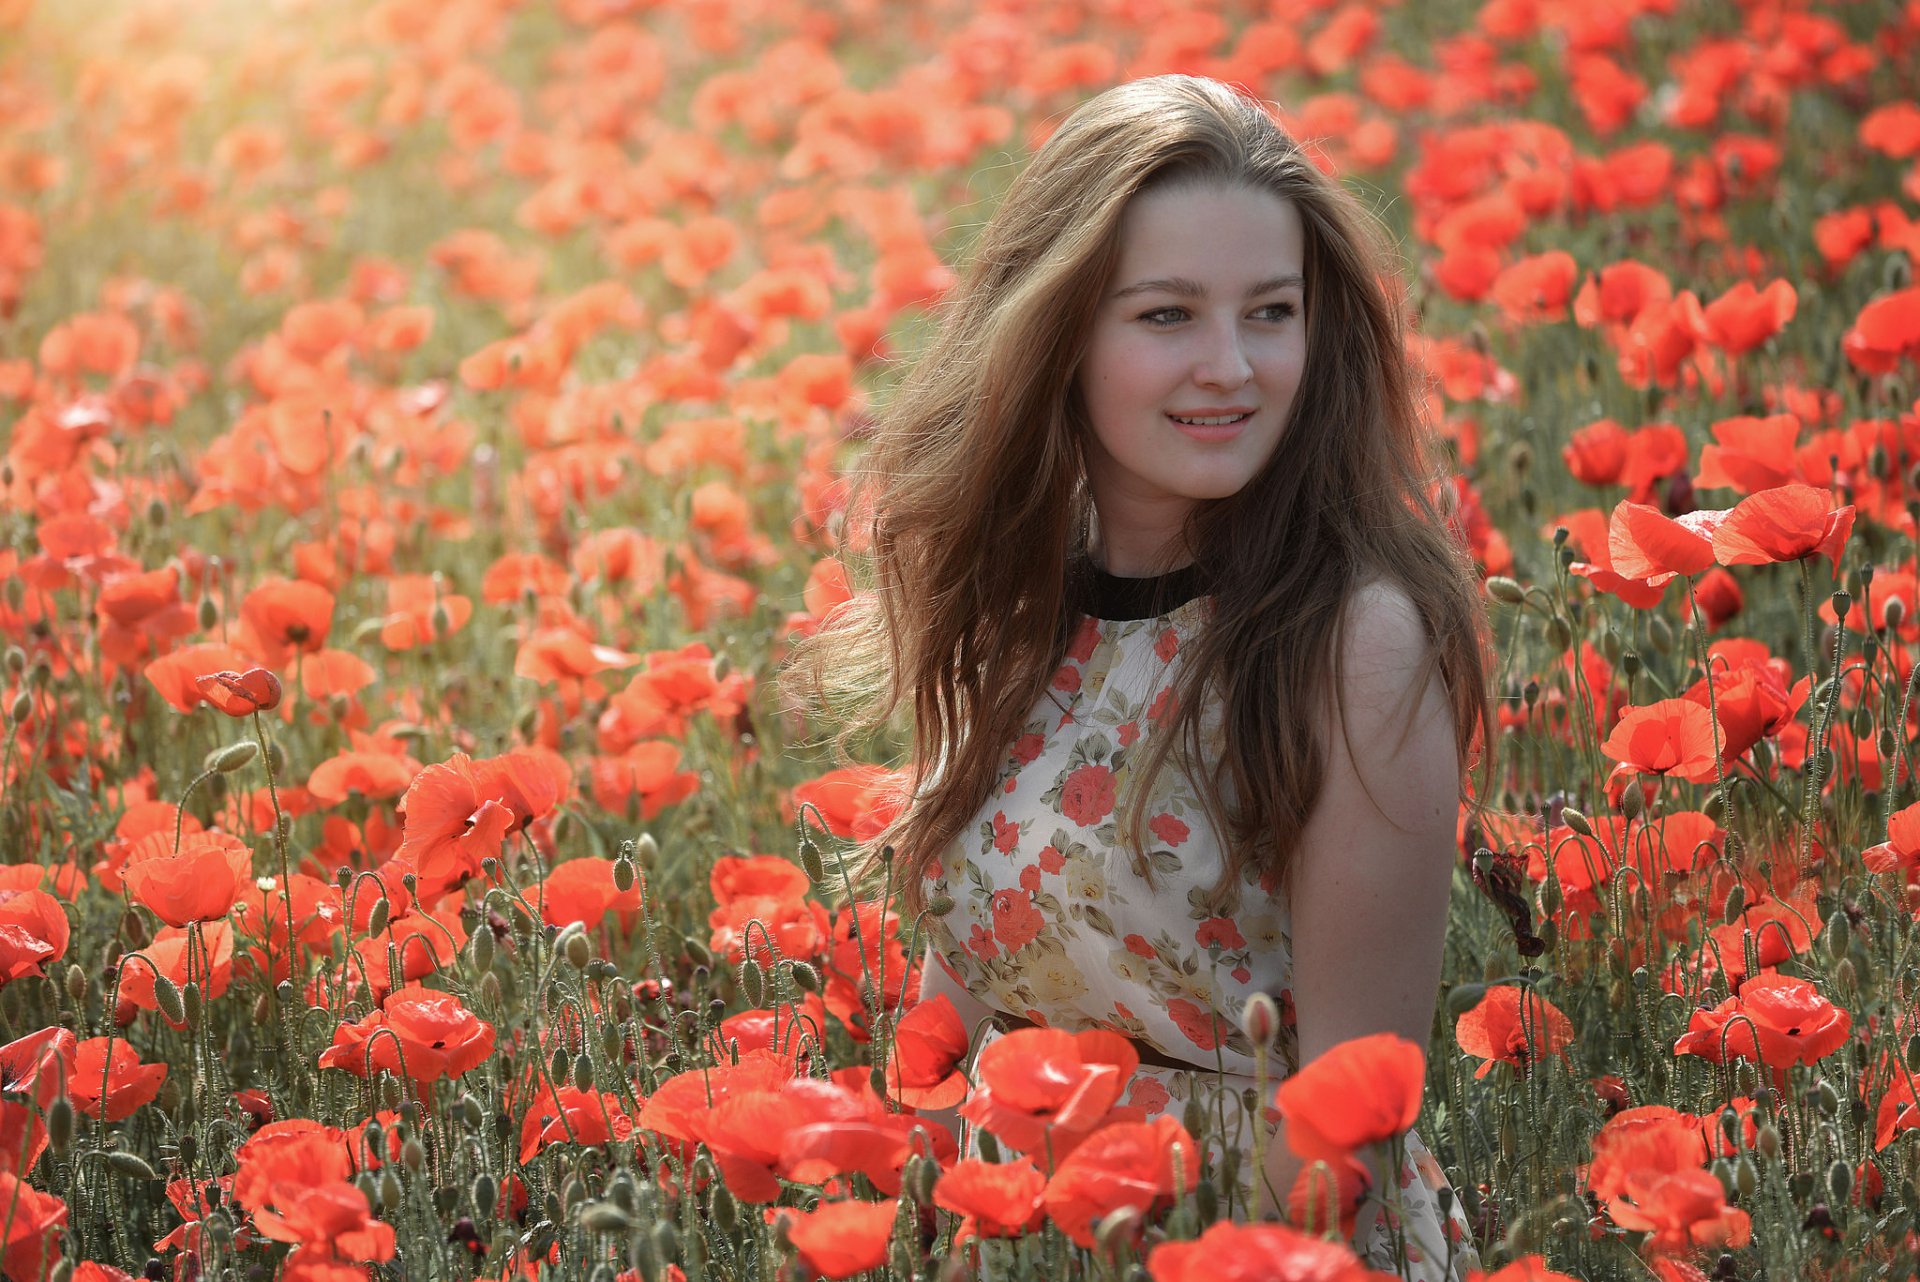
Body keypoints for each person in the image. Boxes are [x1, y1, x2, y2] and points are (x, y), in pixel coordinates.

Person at [784, 75, 1492, 1278]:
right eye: (1168, 316)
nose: (1232, 366)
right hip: (1020, 1236)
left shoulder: (1353, 642)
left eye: (1271, 312)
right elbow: (968, 991)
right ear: (1057, 333)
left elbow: (1345, 1121)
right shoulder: (1019, 612)